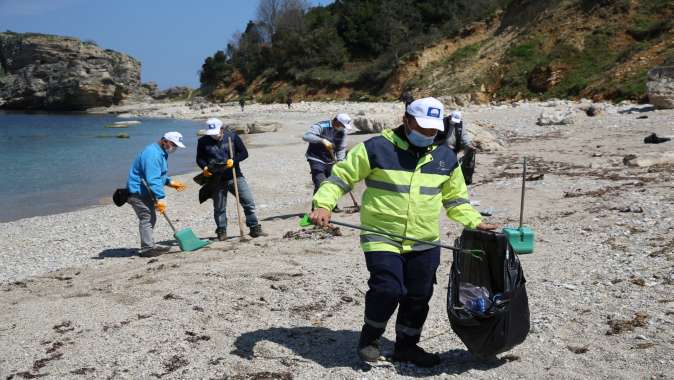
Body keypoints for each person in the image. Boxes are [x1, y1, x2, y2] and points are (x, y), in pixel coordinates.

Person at [309, 98, 497, 367]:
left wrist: (474, 221)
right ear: (406, 119)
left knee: (419, 295)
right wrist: (324, 204)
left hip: (424, 238)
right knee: (388, 288)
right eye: (422, 128)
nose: (428, 134)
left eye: (433, 130)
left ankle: (407, 346)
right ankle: (370, 338)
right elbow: (341, 177)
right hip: (381, 233)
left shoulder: (445, 157)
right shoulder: (376, 148)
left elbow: (456, 200)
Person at [196, 118, 266, 241]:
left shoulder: (232, 137)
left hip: (234, 175)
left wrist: (234, 161)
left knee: (248, 201)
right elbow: (200, 158)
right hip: (215, 178)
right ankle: (221, 230)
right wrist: (205, 167)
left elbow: (244, 153)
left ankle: (254, 227)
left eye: (216, 133)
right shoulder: (202, 141)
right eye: (211, 134)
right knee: (219, 207)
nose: (213, 136)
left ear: (222, 129)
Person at [126, 132, 187, 256]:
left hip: (145, 190)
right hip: (137, 191)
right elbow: (153, 179)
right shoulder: (153, 154)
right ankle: (147, 249)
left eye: (176, 145)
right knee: (147, 217)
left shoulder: (160, 152)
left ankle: (149, 245)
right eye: (173, 144)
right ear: (164, 140)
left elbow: (159, 174)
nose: (174, 148)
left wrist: (170, 182)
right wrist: (161, 198)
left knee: (150, 217)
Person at [302, 114, 352, 211]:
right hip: (316, 158)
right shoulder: (321, 126)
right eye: (342, 125)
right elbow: (306, 136)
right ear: (336, 121)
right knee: (320, 182)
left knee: (333, 183)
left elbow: (341, 148)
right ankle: (317, 209)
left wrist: (340, 162)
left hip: (330, 160)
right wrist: (321, 140)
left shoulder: (342, 132)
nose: (343, 128)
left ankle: (331, 205)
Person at [436, 111, 476, 185]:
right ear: (450, 116)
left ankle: (449, 180)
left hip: (453, 150)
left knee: (451, 166)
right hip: (441, 148)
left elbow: (464, 136)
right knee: (440, 165)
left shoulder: (460, 125)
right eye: (453, 120)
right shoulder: (442, 122)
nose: (454, 122)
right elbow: (436, 136)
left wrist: (468, 144)